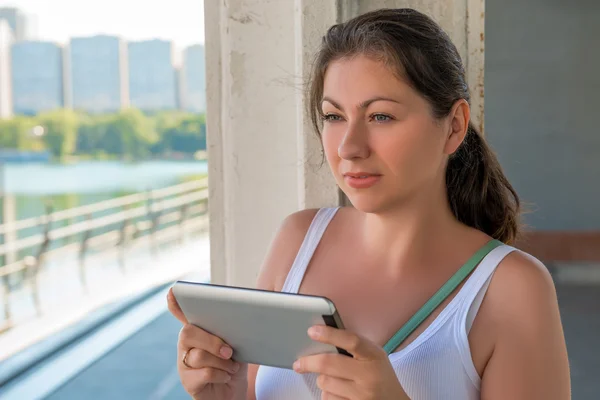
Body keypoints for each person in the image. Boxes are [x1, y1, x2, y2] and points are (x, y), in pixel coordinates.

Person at [167, 7, 571, 400]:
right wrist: (225, 393)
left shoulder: (511, 289)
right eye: (333, 116)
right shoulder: (297, 241)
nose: (349, 147)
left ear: (454, 126)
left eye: (380, 117)